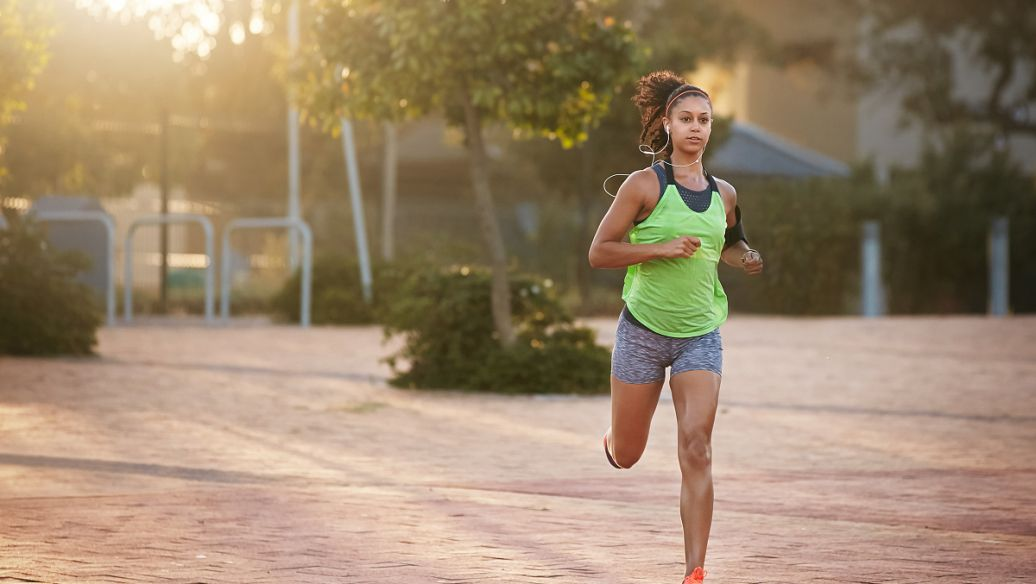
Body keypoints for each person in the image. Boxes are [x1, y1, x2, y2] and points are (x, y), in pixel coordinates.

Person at [587, 70, 764, 584]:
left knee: (697, 445)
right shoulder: (644, 185)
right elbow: (600, 252)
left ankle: (694, 570)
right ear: (666, 122)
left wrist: (746, 256)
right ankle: (614, 440)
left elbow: (729, 243)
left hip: (699, 334)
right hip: (641, 330)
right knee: (629, 453)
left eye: (704, 120)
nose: (695, 128)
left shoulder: (724, 194)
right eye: (685, 118)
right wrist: (658, 248)